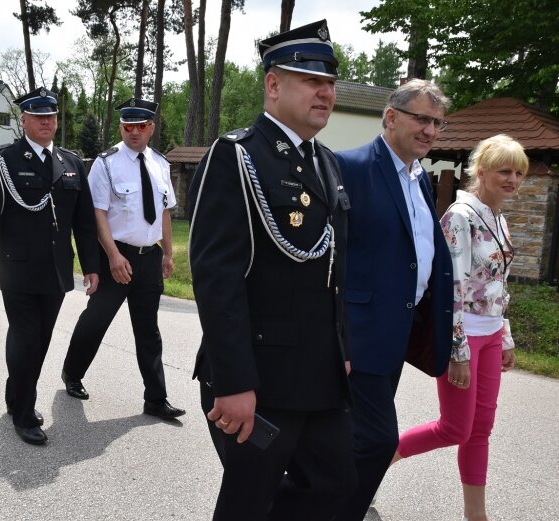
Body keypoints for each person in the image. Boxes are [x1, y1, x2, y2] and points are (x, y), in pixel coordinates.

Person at [188, 20, 356, 520]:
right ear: (274, 84)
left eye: (329, 83)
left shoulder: (326, 162)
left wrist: (341, 349)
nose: (325, 92)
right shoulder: (237, 156)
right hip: (257, 378)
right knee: (248, 500)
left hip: (319, 374)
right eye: (311, 80)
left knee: (339, 485)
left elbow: (333, 270)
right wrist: (234, 382)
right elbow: (216, 278)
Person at [332, 79, 454, 520]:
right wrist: (336, 333)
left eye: (437, 123)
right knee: (379, 440)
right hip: (358, 334)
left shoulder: (419, 178)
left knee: (351, 438)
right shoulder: (350, 167)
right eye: (421, 118)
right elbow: (331, 258)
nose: (430, 130)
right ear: (391, 117)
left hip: (395, 335)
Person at [392, 134, 526, 521]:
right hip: (462, 336)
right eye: (504, 170)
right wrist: (457, 351)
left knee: (481, 429)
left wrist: (505, 336)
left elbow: (499, 285)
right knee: (454, 428)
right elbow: (451, 290)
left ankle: (475, 515)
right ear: (480, 171)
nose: (513, 179)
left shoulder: (499, 218)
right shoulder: (460, 217)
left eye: (519, 173)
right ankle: (371, 463)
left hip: (490, 336)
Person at [0, 87, 100, 446]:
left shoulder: (72, 163)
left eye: (51, 116)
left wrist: (92, 266)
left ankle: (16, 397)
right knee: (26, 338)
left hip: (57, 272)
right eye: (38, 116)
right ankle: (25, 413)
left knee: (40, 341)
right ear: (24, 120)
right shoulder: (3, 160)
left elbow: (84, 222)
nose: (46, 122)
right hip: (18, 269)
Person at [60, 97, 185, 420]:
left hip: (148, 258)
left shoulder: (160, 163)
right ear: (121, 127)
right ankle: (72, 374)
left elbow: (165, 212)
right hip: (115, 256)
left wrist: (167, 252)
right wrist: (113, 256)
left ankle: (156, 398)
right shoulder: (107, 162)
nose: (134, 132)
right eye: (128, 126)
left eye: (141, 126)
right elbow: (97, 214)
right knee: (96, 320)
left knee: (148, 331)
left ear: (151, 128)